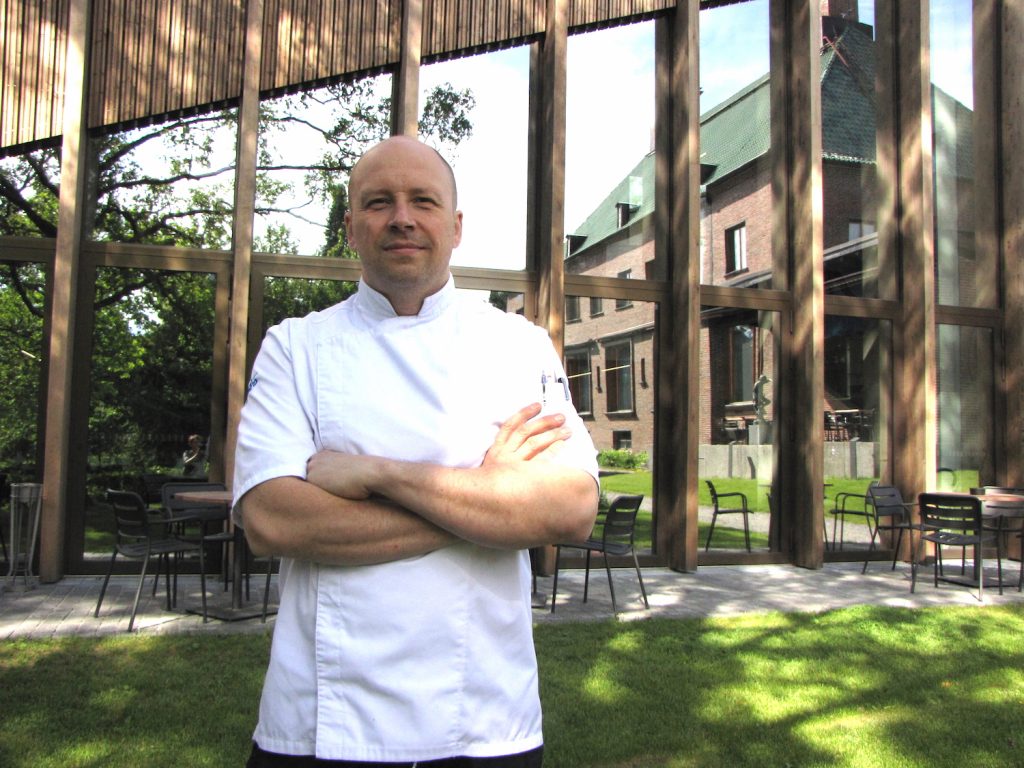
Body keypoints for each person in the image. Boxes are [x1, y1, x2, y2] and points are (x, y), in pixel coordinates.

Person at [232, 135, 600, 767]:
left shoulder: (519, 346)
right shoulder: (295, 346)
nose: (402, 217)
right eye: (379, 202)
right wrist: (487, 500)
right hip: (319, 724)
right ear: (350, 227)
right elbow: (271, 519)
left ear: (455, 227)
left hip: (484, 718)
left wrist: (377, 472)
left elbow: (568, 510)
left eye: (422, 201)